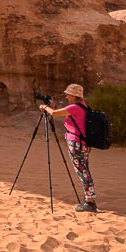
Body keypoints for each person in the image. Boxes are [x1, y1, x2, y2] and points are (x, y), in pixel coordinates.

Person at [40, 83, 98, 213]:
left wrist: (44, 107)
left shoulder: (74, 107)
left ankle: (90, 202)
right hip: (83, 144)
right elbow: (62, 112)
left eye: (68, 94)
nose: (66, 96)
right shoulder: (83, 105)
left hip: (76, 144)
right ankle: (89, 199)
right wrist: (52, 107)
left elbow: (54, 113)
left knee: (82, 172)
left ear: (73, 95)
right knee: (84, 170)